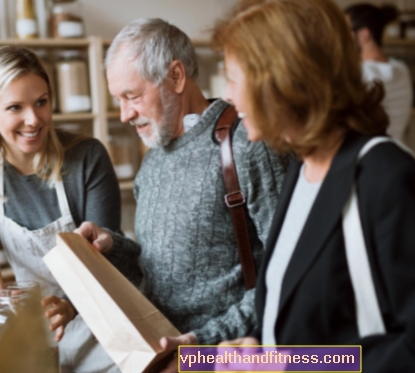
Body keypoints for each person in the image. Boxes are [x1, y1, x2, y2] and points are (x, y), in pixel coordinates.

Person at [213, 0, 415, 371]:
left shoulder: (386, 177)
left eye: (233, 77)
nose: (227, 95)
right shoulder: (302, 167)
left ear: (282, 79)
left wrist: (290, 365)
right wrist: (260, 349)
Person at [74, 18, 286, 372]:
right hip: (162, 355)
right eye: (118, 100)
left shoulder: (247, 143)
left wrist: (199, 345)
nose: (125, 114)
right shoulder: (155, 154)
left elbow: (286, 274)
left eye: (133, 96)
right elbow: (157, 264)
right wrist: (111, 244)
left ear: (176, 76)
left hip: (228, 358)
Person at [0, 46, 121, 373]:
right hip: (37, 335)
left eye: (41, 102)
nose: (33, 120)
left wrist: (70, 307)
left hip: (102, 324)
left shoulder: (86, 156)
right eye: (15, 107)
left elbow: (109, 258)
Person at [345, 3, 413, 142]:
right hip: (397, 150)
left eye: (345, 31)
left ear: (364, 34)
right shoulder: (401, 68)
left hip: (373, 155)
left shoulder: (363, 73)